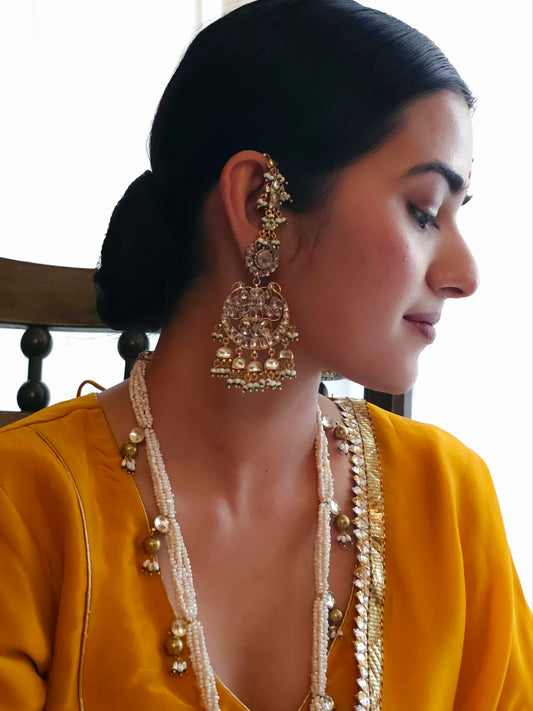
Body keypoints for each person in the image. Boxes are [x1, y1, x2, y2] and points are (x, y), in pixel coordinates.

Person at [0, 1, 531, 709]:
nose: (464, 275)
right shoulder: (23, 505)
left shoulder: (449, 500)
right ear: (260, 203)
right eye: (424, 210)